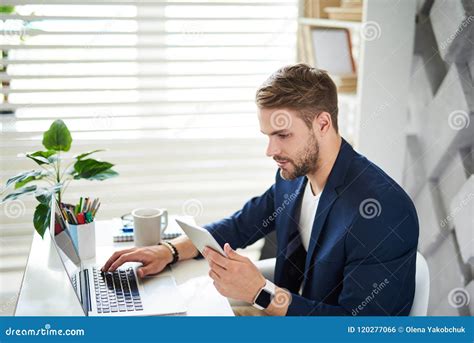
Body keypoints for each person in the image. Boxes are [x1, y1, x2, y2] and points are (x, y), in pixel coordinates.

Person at [102, 64, 419, 316]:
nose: (270, 150)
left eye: (282, 135)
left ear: (323, 124)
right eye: (267, 135)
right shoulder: (293, 174)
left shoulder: (381, 210)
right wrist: (169, 251)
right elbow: (241, 225)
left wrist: (261, 293)